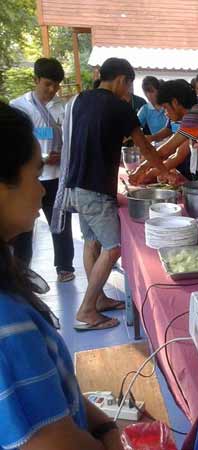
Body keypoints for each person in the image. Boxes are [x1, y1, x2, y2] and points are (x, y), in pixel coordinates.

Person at [0, 102, 125, 450]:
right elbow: (51, 441)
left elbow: (49, 387)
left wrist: (104, 425)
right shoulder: (7, 322)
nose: (42, 189)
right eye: (34, 174)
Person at [65, 57, 170, 331]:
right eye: (129, 85)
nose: (129, 91)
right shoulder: (119, 107)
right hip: (97, 189)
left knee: (92, 242)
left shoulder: (81, 100)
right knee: (113, 248)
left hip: (77, 183)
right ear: (123, 80)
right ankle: (87, 310)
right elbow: (144, 147)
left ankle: (98, 299)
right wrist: (165, 172)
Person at [10, 57, 76, 282]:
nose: (52, 89)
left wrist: (64, 155)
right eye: (47, 84)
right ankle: (21, 271)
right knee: (24, 226)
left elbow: (70, 138)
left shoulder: (63, 106)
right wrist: (42, 159)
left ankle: (65, 267)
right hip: (29, 177)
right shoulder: (19, 107)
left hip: (57, 176)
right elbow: (16, 143)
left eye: (56, 85)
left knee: (60, 222)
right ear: (36, 79)